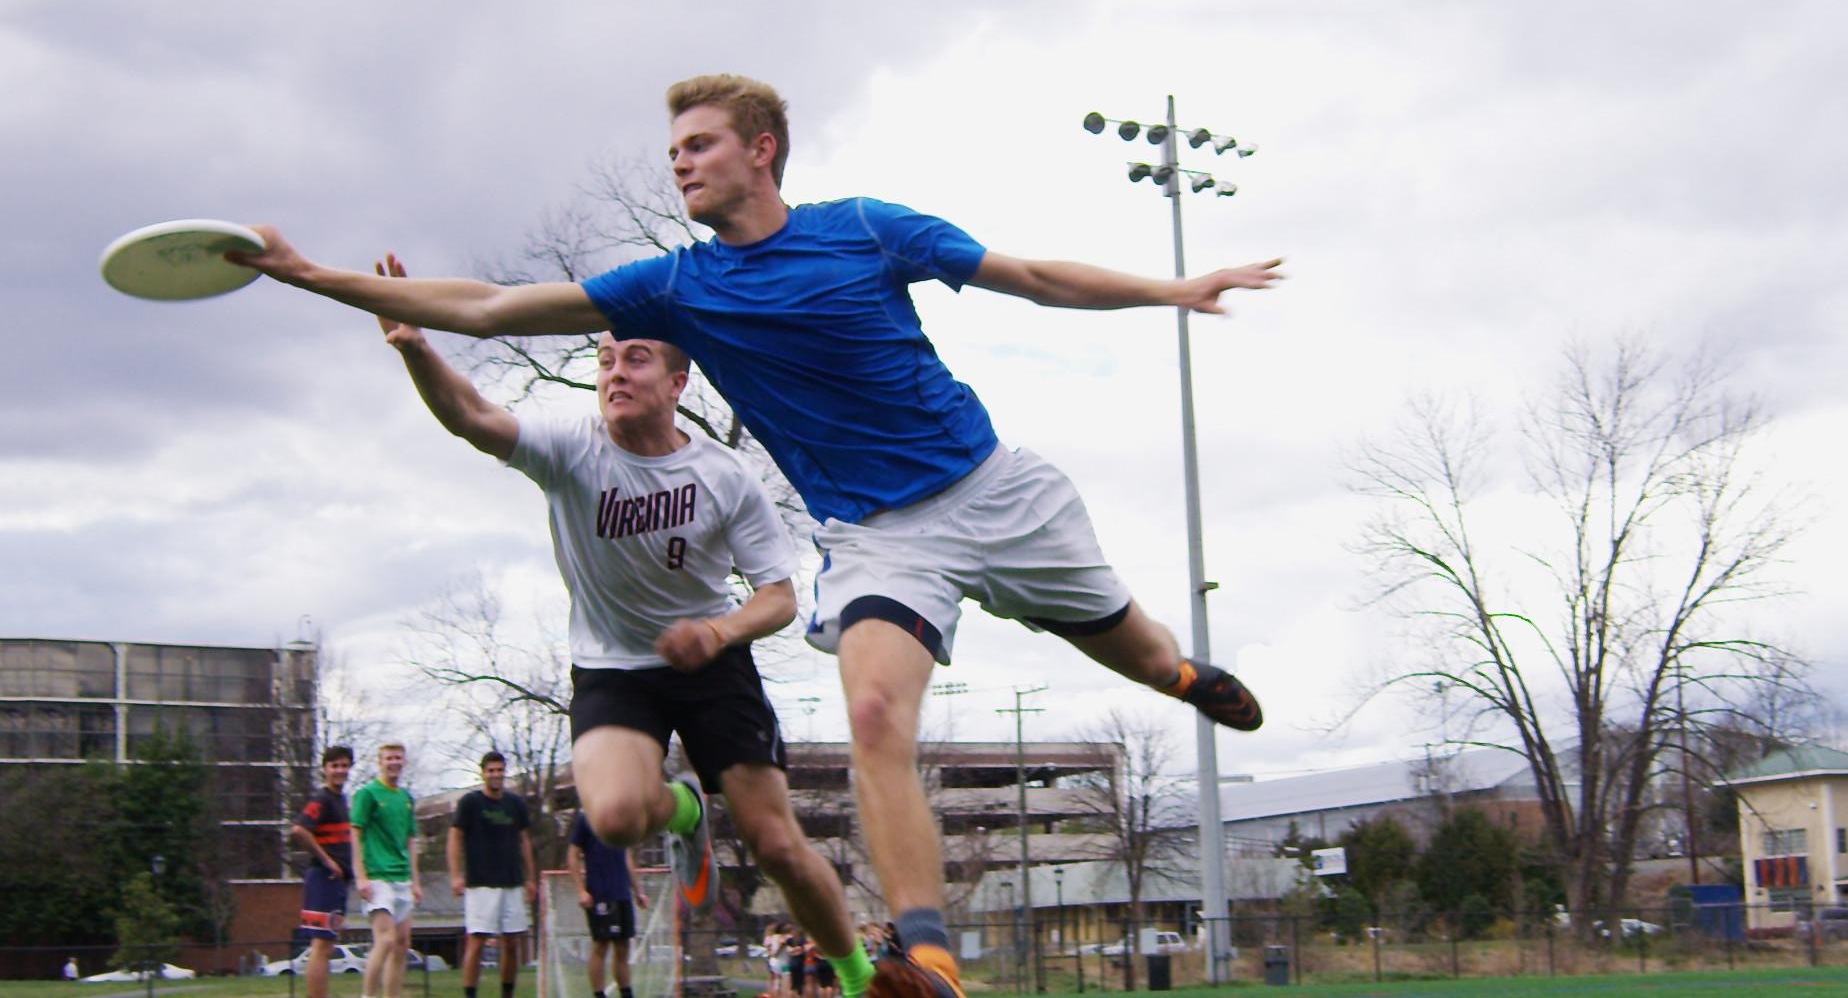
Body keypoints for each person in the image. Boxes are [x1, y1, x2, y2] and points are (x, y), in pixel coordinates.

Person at [237, 72, 1277, 998]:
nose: (681, 163)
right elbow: (491, 307)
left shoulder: (867, 229)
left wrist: (1173, 288)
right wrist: (316, 276)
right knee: (873, 710)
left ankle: (1182, 677)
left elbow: (1036, 278)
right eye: (674, 152)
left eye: (698, 145)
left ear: (760, 149)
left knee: (1142, 654)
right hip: (878, 539)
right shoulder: (680, 287)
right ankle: (927, 961)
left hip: (997, 494)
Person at [369, 280, 878, 996]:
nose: (614, 374)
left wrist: (717, 630)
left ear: (677, 381)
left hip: (712, 665)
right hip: (613, 668)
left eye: (634, 360)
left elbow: (780, 598)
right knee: (610, 819)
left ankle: (861, 980)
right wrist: (417, 346)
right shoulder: (569, 450)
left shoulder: (723, 475)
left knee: (776, 845)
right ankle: (685, 807)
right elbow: (471, 414)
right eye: (604, 360)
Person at [450, 751, 537, 998]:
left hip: (512, 881)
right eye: (491, 771)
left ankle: (507, 993)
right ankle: (470, 993)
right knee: (476, 941)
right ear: (483, 773)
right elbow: (455, 838)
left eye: (500, 770)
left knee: (512, 942)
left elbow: (524, 840)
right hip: (481, 883)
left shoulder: (515, 804)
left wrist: (530, 878)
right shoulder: (470, 803)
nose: (496, 775)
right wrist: (456, 875)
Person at [350, 743, 420, 998]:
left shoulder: (406, 799)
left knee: (401, 944)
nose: (394, 762)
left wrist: (415, 880)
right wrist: (360, 876)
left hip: (401, 877)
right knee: (386, 939)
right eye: (389, 758)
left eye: (398, 758)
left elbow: (411, 841)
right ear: (379, 762)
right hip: (377, 877)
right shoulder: (367, 794)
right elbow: (355, 833)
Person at [289, 745, 355, 998]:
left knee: (328, 945)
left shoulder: (342, 801)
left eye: (344, 765)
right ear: (325, 769)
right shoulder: (322, 799)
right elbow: (299, 830)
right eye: (334, 766)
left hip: (338, 881)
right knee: (321, 945)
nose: (340, 770)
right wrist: (327, 861)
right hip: (323, 879)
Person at [568, 812, 650, 998]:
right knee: (601, 945)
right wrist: (581, 890)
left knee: (623, 946)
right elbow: (573, 854)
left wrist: (638, 890)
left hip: (622, 894)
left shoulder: (622, 818)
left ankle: (626, 993)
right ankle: (599, 994)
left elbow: (626, 856)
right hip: (600, 894)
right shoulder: (586, 818)